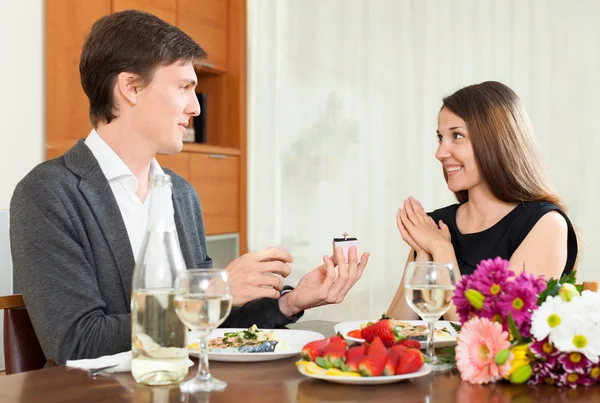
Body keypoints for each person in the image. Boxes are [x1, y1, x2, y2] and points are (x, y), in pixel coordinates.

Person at [10, 10, 370, 365]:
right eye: (183, 87)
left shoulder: (180, 194)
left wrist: (287, 303)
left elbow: (203, 325)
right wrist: (214, 290)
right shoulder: (47, 194)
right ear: (130, 87)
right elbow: (77, 341)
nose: (195, 107)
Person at [386, 81, 578, 320]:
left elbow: (490, 336)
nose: (440, 153)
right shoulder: (436, 225)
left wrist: (442, 250)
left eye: (457, 136)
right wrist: (423, 257)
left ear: (495, 141)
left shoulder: (544, 225)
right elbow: (393, 331)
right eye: (440, 138)